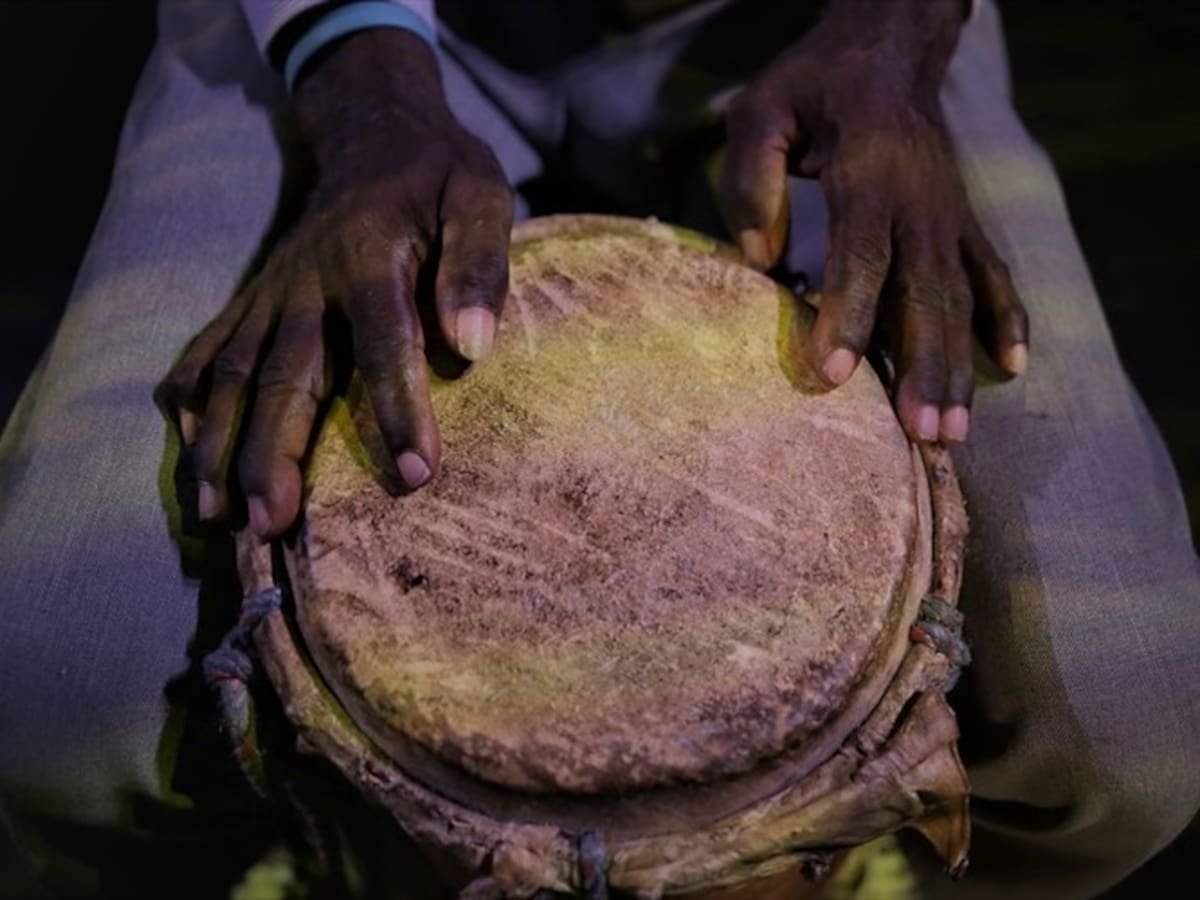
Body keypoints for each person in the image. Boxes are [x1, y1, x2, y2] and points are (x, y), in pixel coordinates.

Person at [0, 0, 1196, 897]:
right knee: (54, 694)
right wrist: (358, 76)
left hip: (815, 28)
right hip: (340, 33)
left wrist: (899, 37)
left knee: (1134, 736)